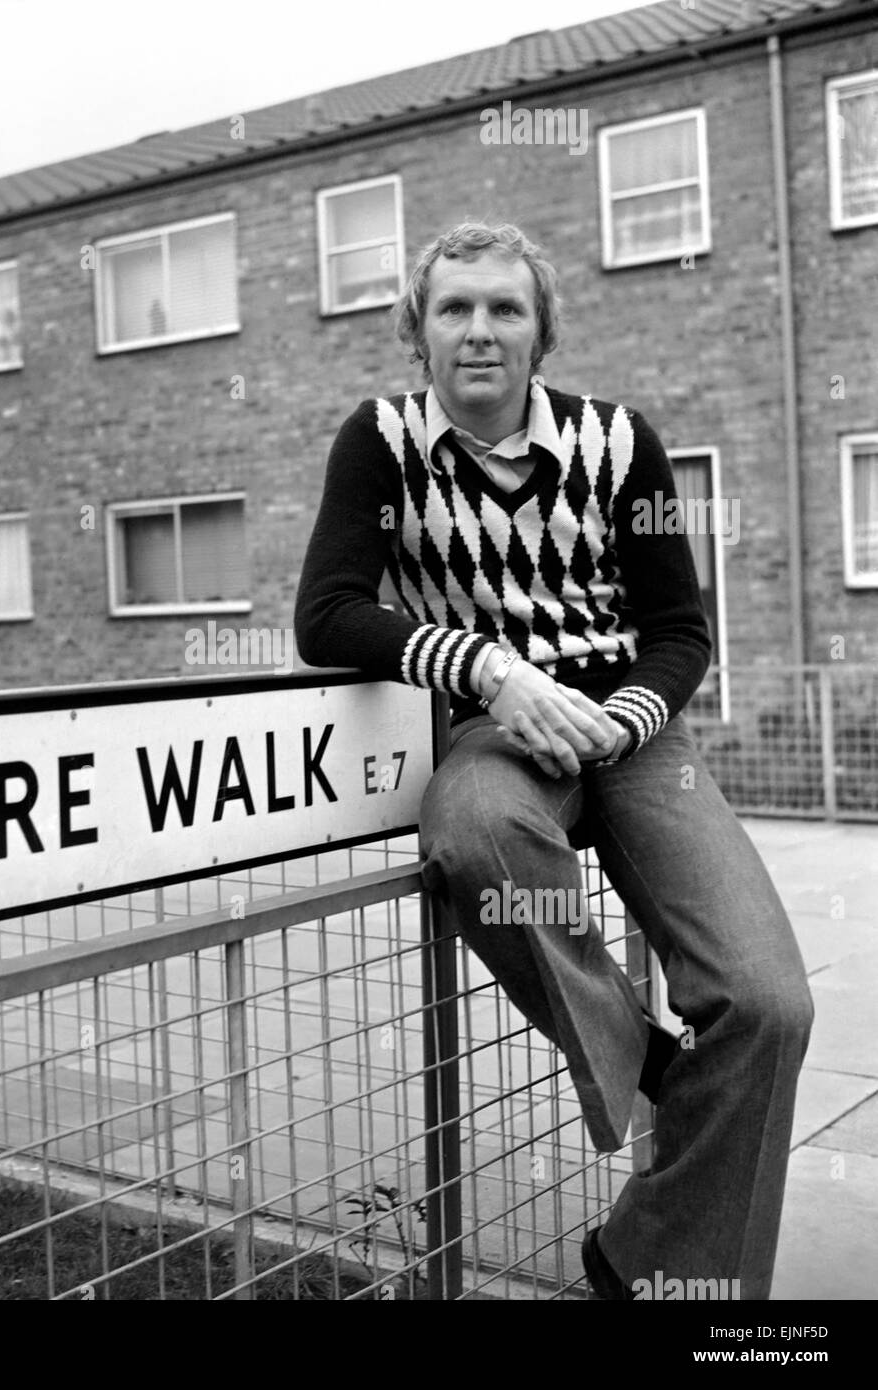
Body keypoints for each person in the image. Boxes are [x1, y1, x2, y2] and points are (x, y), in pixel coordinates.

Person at [293, 221, 813, 1301]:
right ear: (416, 331)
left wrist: (614, 721)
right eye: (452, 309)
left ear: (538, 334)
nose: (477, 330)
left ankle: (654, 1268)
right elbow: (326, 614)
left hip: (629, 732)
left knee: (766, 1006)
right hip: (492, 732)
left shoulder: (621, 444)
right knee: (472, 828)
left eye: (503, 309)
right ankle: (650, 1066)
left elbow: (680, 632)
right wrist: (487, 673)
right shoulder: (378, 442)